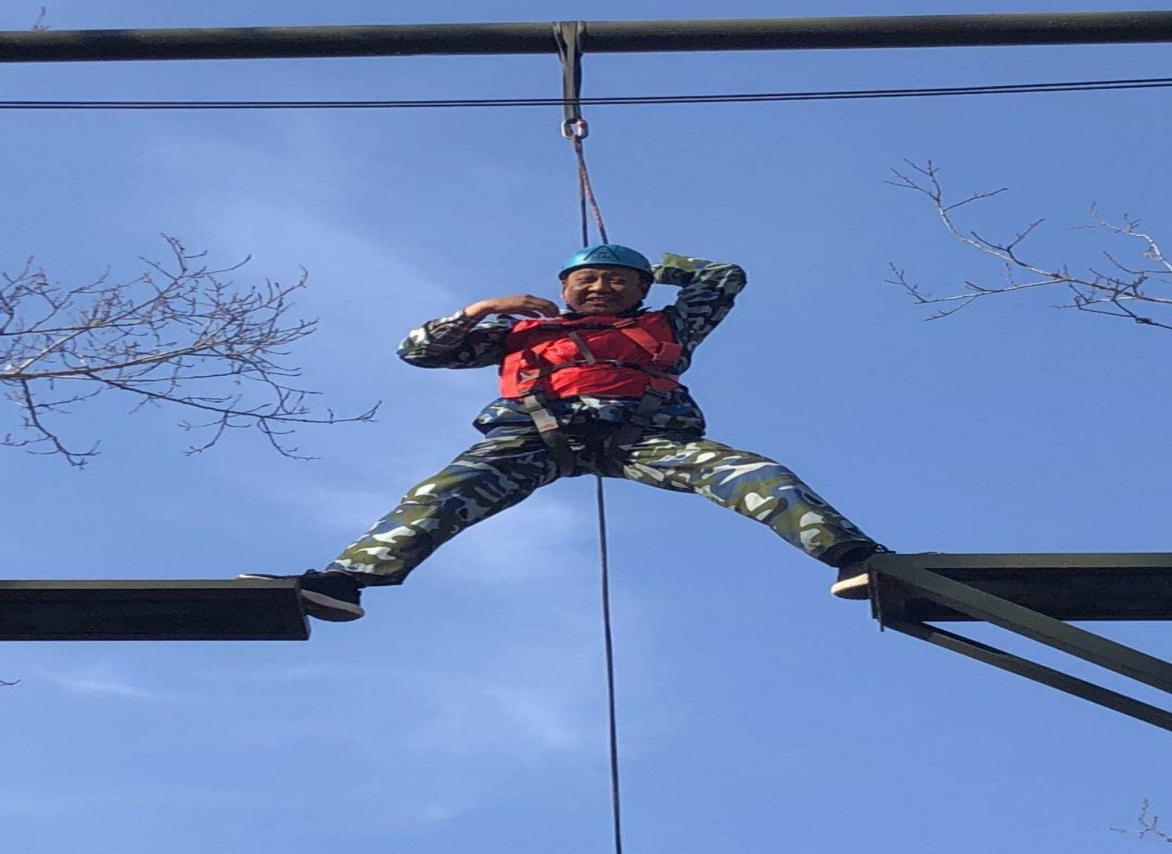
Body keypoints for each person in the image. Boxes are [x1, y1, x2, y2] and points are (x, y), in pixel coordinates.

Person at [241, 245, 887, 620]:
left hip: (644, 436)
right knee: (440, 496)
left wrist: (662, 265)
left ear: (638, 289)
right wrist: (483, 309)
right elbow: (418, 352)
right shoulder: (519, 333)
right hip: (534, 436)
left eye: (616, 280)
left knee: (755, 475)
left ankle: (855, 558)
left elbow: (723, 278)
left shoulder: (671, 325)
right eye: (587, 280)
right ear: (565, 289)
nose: (600, 288)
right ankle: (344, 584)